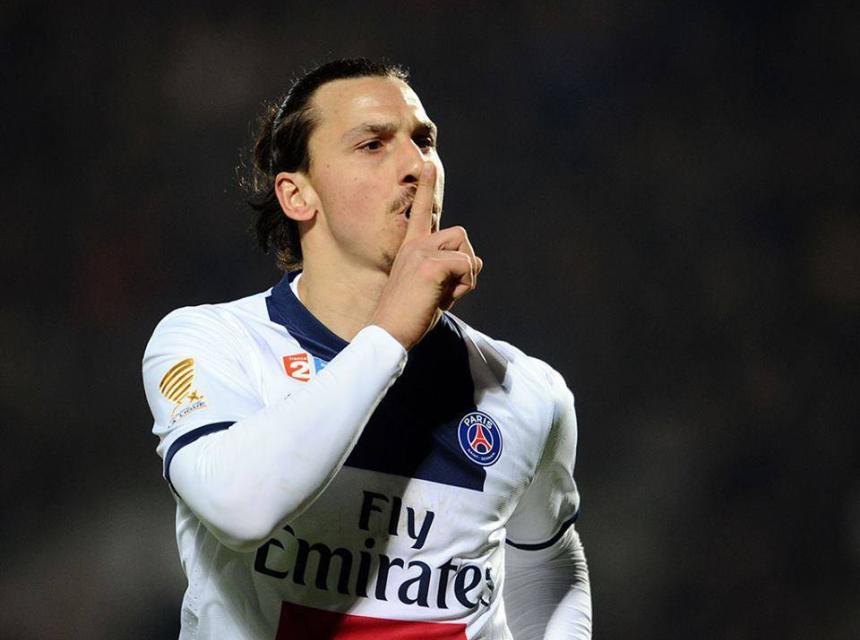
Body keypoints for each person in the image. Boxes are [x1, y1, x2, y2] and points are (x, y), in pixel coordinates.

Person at [143, 58, 591, 639]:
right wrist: (390, 335)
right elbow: (240, 509)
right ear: (297, 194)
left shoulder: (525, 390)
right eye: (372, 144)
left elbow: (546, 560)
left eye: (423, 141)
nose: (415, 165)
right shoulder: (213, 344)